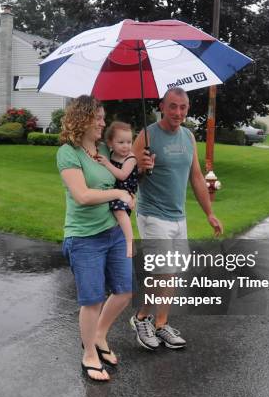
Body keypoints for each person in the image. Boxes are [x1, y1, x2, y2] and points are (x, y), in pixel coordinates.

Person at [129, 87, 223, 350]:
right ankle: (140, 318)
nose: (178, 112)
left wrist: (209, 213)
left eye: (183, 107)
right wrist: (141, 168)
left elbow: (195, 176)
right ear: (162, 106)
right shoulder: (147, 135)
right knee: (165, 272)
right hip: (152, 214)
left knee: (172, 273)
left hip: (178, 216)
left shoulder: (188, 137)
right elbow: (127, 176)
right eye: (172, 106)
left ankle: (160, 324)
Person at [57, 95, 133, 381]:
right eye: (98, 117)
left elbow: (123, 172)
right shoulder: (68, 152)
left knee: (124, 290)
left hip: (113, 232)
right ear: (83, 119)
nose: (103, 122)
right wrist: (117, 193)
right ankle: (89, 353)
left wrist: (138, 171)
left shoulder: (102, 148)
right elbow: (83, 195)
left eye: (103, 117)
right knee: (92, 300)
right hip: (84, 238)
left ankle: (99, 335)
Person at [96, 121, 138, 258]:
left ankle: (130, 243)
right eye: (121, 142)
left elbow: (122, 175)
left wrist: (107, 164)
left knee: (119, 212)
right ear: (110, 143)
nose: (126, 146)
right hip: (115, 192)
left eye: (129, 142)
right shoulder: (111, 153)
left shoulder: (130, 159)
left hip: (126, 192)